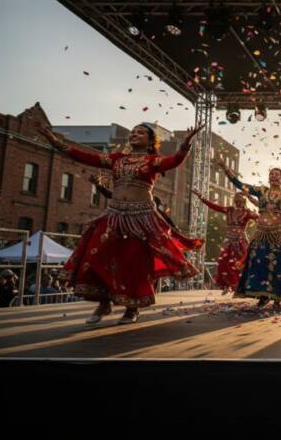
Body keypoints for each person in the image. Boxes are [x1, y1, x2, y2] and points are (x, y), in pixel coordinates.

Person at [34, 109, 204, 324]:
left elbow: (174, 161)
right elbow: (84, 156)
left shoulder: (153, 161)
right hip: (114, 216)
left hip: (140, 218)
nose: (134, 134)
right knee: (96, 256)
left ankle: (132, 308)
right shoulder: (116, 159)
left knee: (133, 262)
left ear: (151, 140)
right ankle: (103, 303)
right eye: (133, 132)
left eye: (141, 133)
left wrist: (186, 143)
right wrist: (53, 140)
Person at [217, 158, 281, 311]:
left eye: (277, 174)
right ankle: (263, 296)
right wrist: (225, 168)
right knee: (259, 263)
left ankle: (278, 298)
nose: (274, 176)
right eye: (272, 174)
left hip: (279, 235)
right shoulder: (261, 191)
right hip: (261, 233)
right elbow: (240, 184)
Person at [193, 190, 259, 295]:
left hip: (240, 241)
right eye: (236, 200)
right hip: (229, 240)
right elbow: (214, 206)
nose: (238, 202)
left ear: (244, 201)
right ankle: (226, 285)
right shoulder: (229, 210)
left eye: (240, 200)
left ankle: (244, 286)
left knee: (241, 264)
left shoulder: (247, 212)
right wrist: (201, 197)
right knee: (224, 263)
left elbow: (258, 217)